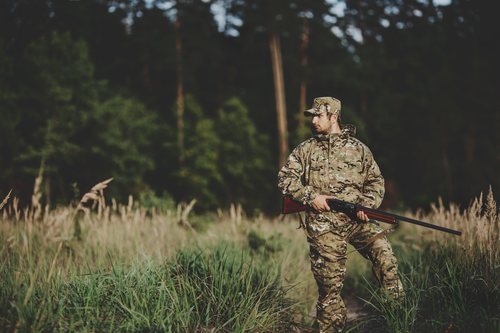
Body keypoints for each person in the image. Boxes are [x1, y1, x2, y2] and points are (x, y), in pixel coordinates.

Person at [278, 97, 404, 332]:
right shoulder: (305, 150)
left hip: (358, 221)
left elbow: (375, 181)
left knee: (386, 260)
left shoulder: (359, 149)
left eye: (318, 115)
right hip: (323, 226)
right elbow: (285, 179)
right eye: (312, 116)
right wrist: (310, 196)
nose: (314, 120)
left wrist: (367, 205)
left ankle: (397, 320)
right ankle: (331, 328)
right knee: (329, 286)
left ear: (334, 117)